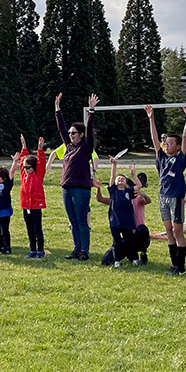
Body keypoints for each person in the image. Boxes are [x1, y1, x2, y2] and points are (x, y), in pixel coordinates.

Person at [146, 100, 186, 275]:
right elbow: (154, 139)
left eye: (171, 143)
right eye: (166, 143)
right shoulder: (162, 158)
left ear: (178, 146)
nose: (167, 145)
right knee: (168, 230)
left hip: (176, 197)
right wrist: (151, 119)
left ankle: (181, 266)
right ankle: (174, 265)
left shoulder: (180, 159)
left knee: (177, 230)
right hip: (163, 197)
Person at [55, 92, 99, 260]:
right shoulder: (69, 146)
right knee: (72, 221)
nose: (71, 135)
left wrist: (92, 111)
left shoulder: (86, 147)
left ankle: (84, 251)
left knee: (81, 221)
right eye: (71, 133)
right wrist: (57, 109)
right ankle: (76, 249)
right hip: (66, 187)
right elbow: (61, 129)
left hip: (81, 188)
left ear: (81, 134)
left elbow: (90, 130)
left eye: (74, 133)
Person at [93, 157, 139, 267]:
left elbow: (139, 185)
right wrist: (114, 164)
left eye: (123, 179)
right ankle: (117, 260)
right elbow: (112, 176)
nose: (120, 180)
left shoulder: (129, 192)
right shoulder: (112, 190)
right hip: (115, 222)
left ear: (127, 183)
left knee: (130, 241)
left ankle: (134, 259)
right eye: (118, 178)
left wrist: (133, 175)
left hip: (127, 222)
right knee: (116, 242)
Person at [16, 135, 48, 258]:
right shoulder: (24, 173)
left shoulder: (38, 174)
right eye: (24, 167)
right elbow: (23, 159)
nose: (25, 169)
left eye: (28, 167)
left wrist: (40, 149)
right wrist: (24, 145)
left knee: (37, 229)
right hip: (26, 206)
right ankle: (32, 249)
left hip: (35, 206)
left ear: (33, 167)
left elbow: (41, 162)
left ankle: (40, 250)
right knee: (29, 229)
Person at [0, 153, 16, 255]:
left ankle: (7, 247)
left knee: (4, 230)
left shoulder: (7, 184)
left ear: (4, 178)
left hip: (4, 211)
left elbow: (12, 172)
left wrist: (15, 161)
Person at [129, 167, 152, 265]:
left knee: (142, 229)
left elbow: (148, 201)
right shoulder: (122, 199)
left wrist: (144, 195)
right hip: (128, 233)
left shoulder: (138, 198)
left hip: (139, 232)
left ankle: (143, 252)